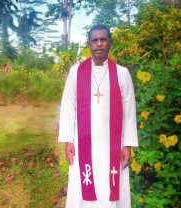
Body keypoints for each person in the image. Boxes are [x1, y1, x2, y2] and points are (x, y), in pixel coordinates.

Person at [58, 24, 138, 208]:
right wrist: (68, 140)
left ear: (110, 42)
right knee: (81, 185)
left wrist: (127, 145)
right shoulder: (76, 72)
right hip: (82, 142)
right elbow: (68, 106)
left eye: (103, 39)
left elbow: (129, 110)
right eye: (95, 40)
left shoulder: (122, 73)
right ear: (89, 44)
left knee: (110, 185)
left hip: (113, 143)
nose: (99, 44)